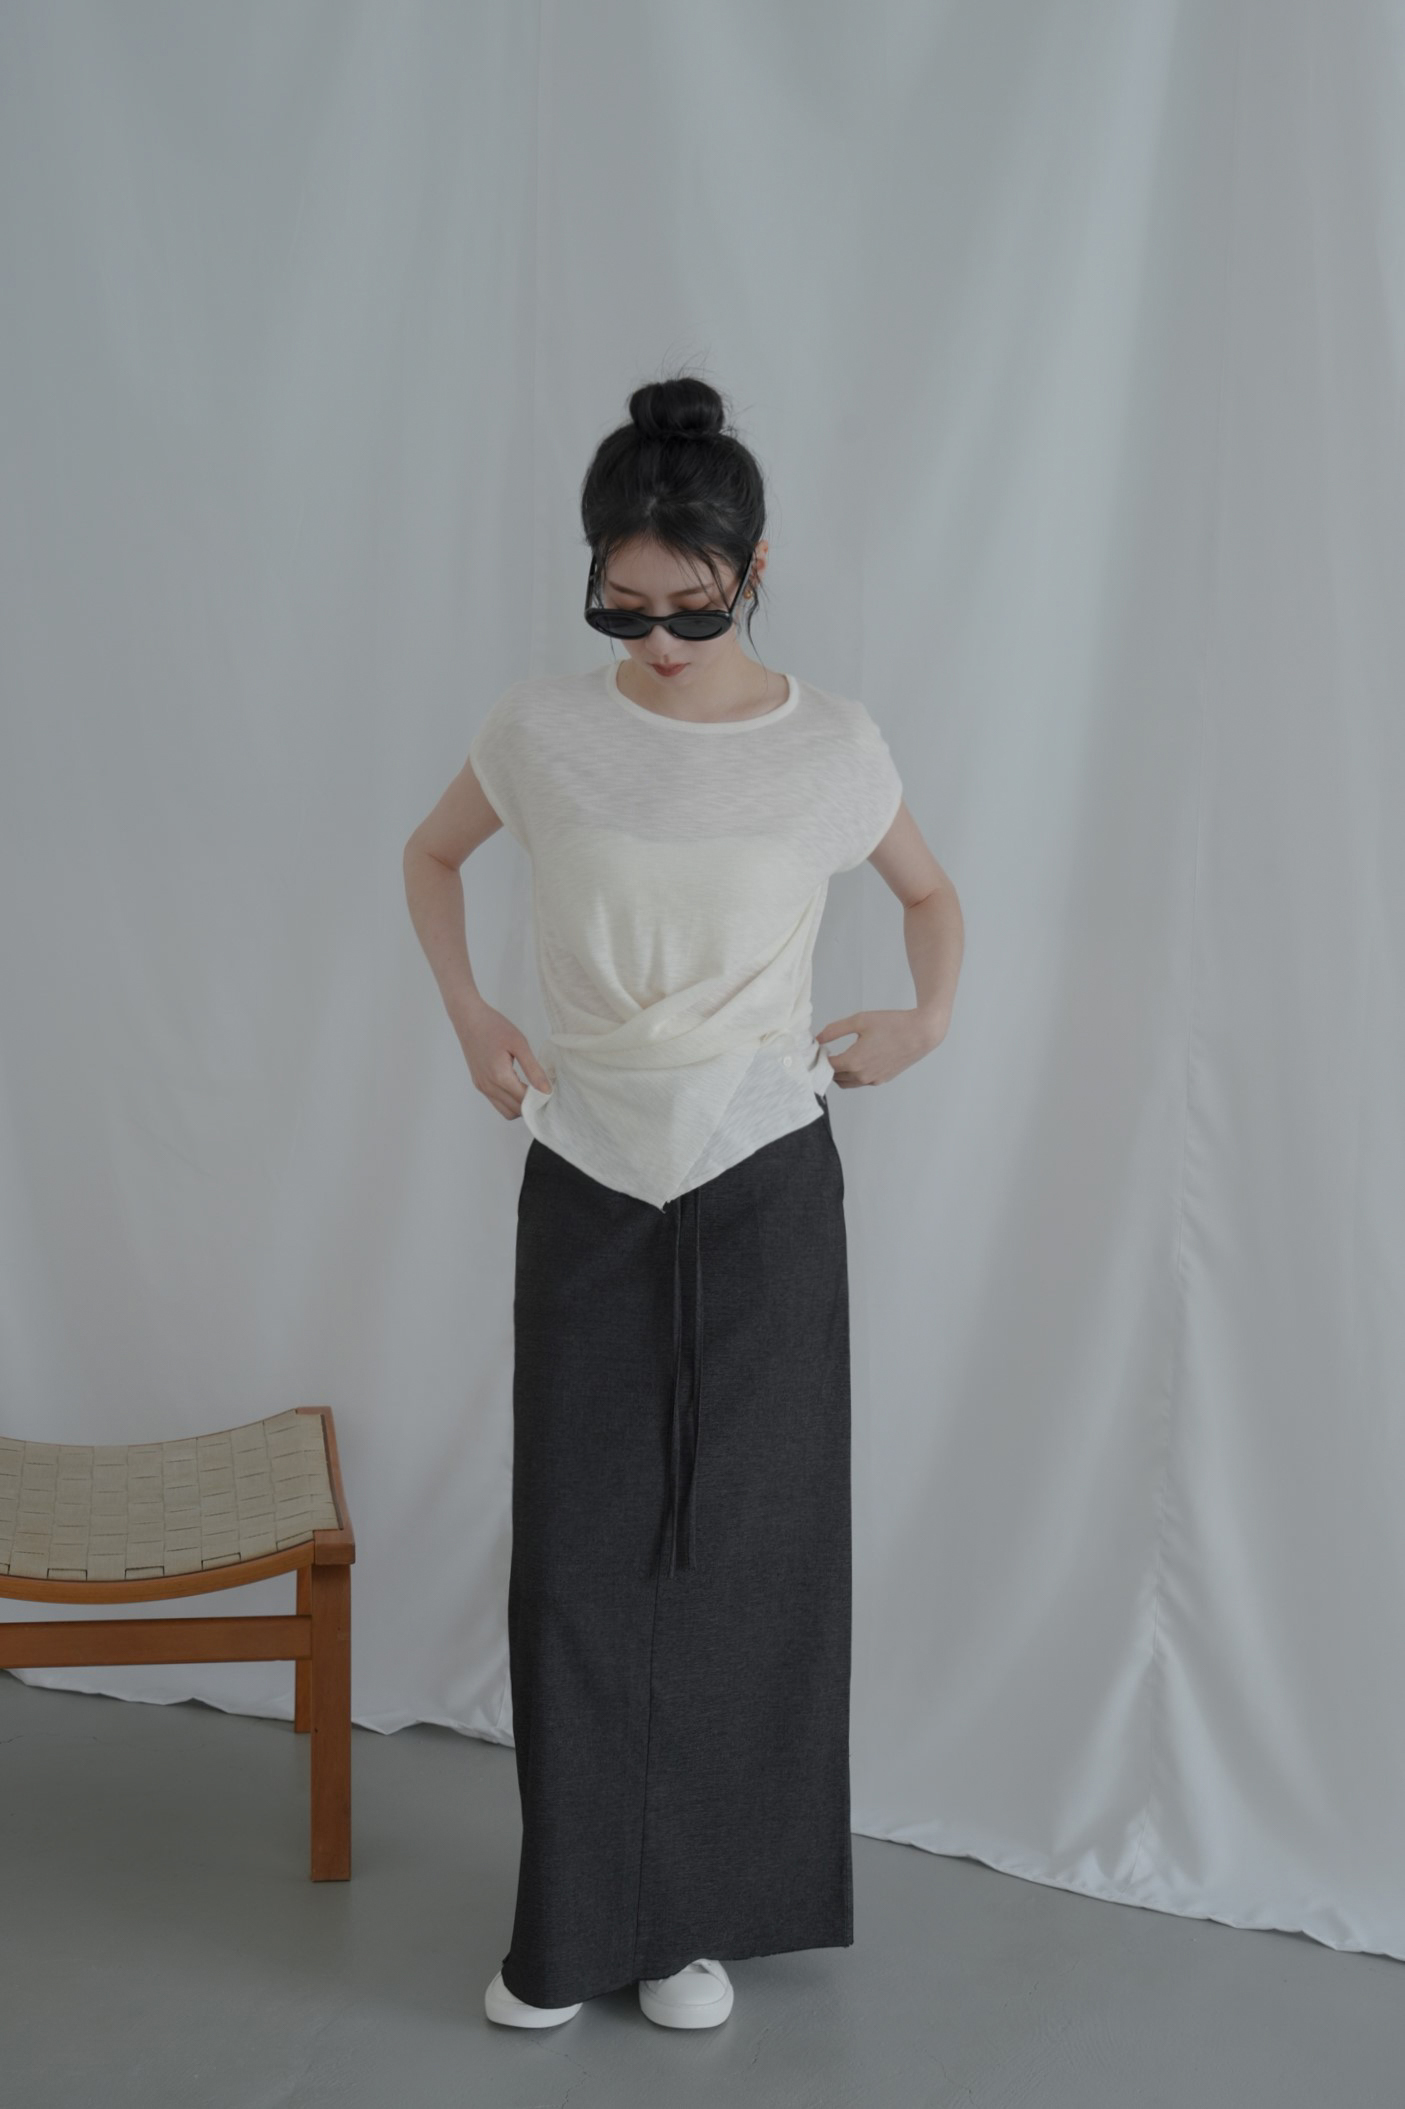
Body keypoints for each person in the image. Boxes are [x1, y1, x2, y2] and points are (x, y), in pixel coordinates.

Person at [403, 373, 963, 2033]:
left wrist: (925, 1019)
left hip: (762, 1170)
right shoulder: (539, 729)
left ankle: (691, 1923)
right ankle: (571, 1925)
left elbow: (930, 895)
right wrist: (472, 1015)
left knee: (746, 1551)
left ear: (755, 569)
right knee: (581, 1554)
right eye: (621, 605)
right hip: (586, 1162)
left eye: (690, 607)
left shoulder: (831, 745)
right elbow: (428, 857)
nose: (654, 639)